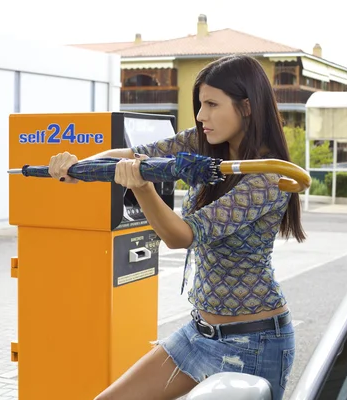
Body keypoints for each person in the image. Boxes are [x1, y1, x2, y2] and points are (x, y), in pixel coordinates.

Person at [48, 54, 306, 400]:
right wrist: (76, 167)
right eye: (200, 104)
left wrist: (142, 189)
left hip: (254, 342)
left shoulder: (271, 178)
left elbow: (182, 236)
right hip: (198, 333)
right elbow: (131, 155)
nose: (201, 116)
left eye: (212, 104)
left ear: (246, 106)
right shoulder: (202, 143)